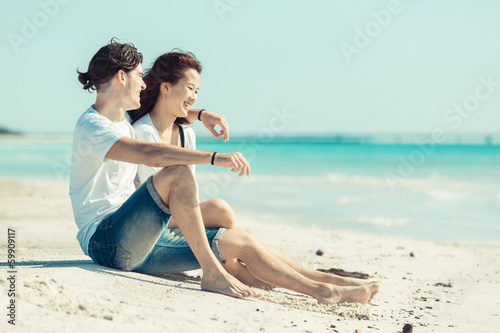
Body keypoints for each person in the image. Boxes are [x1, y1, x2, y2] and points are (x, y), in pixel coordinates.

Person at [122, 49, 381, 303]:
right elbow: (162, 204)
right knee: (239, 236)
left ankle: (249, 268)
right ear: (166, 87)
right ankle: (323, 288)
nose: (194, 97)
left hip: (179, 217)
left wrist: (200, 114)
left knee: (222, 211)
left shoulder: (186, 132)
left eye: (197, 91)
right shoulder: (143, 132)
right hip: (154, 226)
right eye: (190, 88)